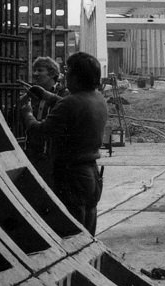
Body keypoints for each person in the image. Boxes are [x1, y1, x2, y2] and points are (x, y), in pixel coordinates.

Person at [22, 51, 108, 234]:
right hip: (91, 174)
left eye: (68, 72)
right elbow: (73, 107)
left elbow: (40, 131)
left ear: (76, 77)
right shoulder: (97, 99)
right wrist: (47, 96)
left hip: (72, 175)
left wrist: (27, 114)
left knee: (71, 231)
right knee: (88, 228)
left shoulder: (70, 103)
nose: (64, 75)